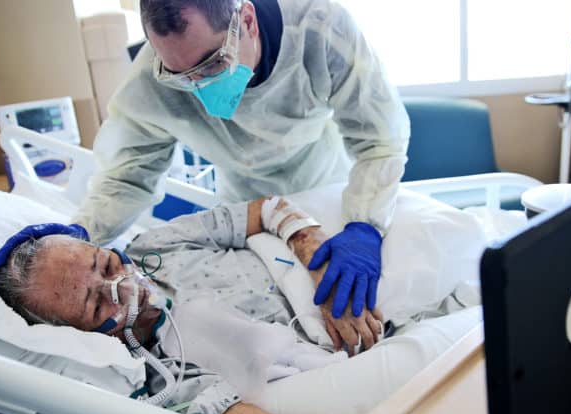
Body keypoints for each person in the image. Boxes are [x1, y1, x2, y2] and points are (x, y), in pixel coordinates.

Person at [73, 0, 410, 326]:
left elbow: (381, 142)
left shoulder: (319, 28)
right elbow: (124, 177)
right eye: (182, 77)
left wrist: (365, 224)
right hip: (244, 210)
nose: (200, 86)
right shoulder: (154, 73)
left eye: (212, 64)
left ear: (247, 21)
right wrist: (78, 235)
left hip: (326, 191)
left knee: (360, 298)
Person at [0, 196, 386, 414]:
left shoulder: (157, 244)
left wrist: (321, 268)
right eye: (96, 306)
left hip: (351, 282)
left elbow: (270, 209)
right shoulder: (163, 378)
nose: (123, 288)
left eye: (106, 265)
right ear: (80, 333)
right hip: (360, 359)